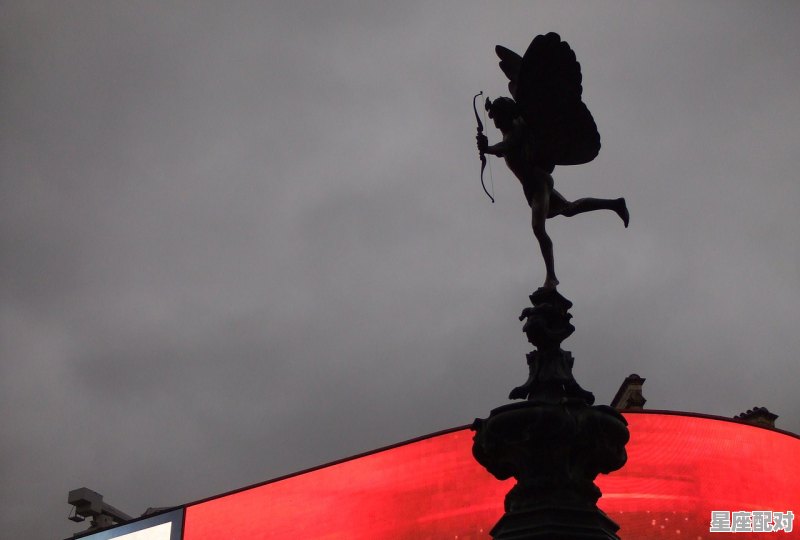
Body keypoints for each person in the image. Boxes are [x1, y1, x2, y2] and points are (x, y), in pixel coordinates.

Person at [477, 97, 628, 290]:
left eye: (496, 116)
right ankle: (615, 204)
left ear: (506, 115)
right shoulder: (509, 133)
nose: (494, 120)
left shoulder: (518, 130)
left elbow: (506, 147)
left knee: (538, 228)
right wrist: (487, 147)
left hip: (538, 181)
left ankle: (551, 277)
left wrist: (487, 148)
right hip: (533, 186)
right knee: (568, 209)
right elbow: (503, 148)